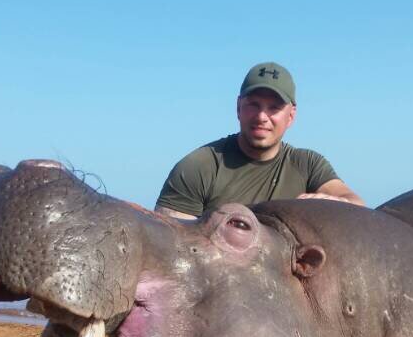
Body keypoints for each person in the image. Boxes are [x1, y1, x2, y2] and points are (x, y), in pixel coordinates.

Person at [155, 62, 364, 219]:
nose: (261, 117)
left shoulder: (308, 165)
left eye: (274, 107)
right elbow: (170, 247)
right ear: (238, 108)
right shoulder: (198, 167)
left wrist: (333, 204)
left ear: (291, 116)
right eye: (253, 105)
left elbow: (359, 208)